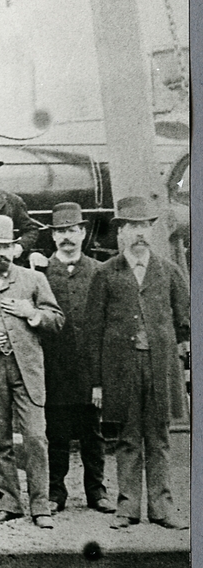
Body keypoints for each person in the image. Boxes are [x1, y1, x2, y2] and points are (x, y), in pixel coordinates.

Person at [87, 196, 189, 530]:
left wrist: (174, 354)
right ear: (121, 232)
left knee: (159, 439)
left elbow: (185, 322)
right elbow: (93, 331)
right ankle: (127, 508)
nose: (140, 233)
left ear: (151, 230)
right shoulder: (106, 273)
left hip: (160, 368)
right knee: (128, 438)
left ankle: (162, 509)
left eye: (145, 225)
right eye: (132, 226)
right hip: (122, 370)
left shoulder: (169, 271)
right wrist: (98, 382)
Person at [0, 215, 64, 529]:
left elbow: (57, 319)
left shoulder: (34, 280)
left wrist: (32, 313)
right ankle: (9, 504)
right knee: (0, 441)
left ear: (15, 249)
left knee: (35, 438)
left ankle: (40, 506)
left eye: (6, 246)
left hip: (26, 371)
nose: (1, 253)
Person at [42, 202, 114, 514]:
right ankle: (55, 492)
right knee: (56, 434)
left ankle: (96, 492)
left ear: (83, 232)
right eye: (60, 231)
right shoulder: (41, 272)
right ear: (53, 236)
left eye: (72, 230)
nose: (66, 237)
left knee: (92, 435)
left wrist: (101, 379)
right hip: (54, 370)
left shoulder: (100, 271)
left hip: (89, 371)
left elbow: (107, 327)